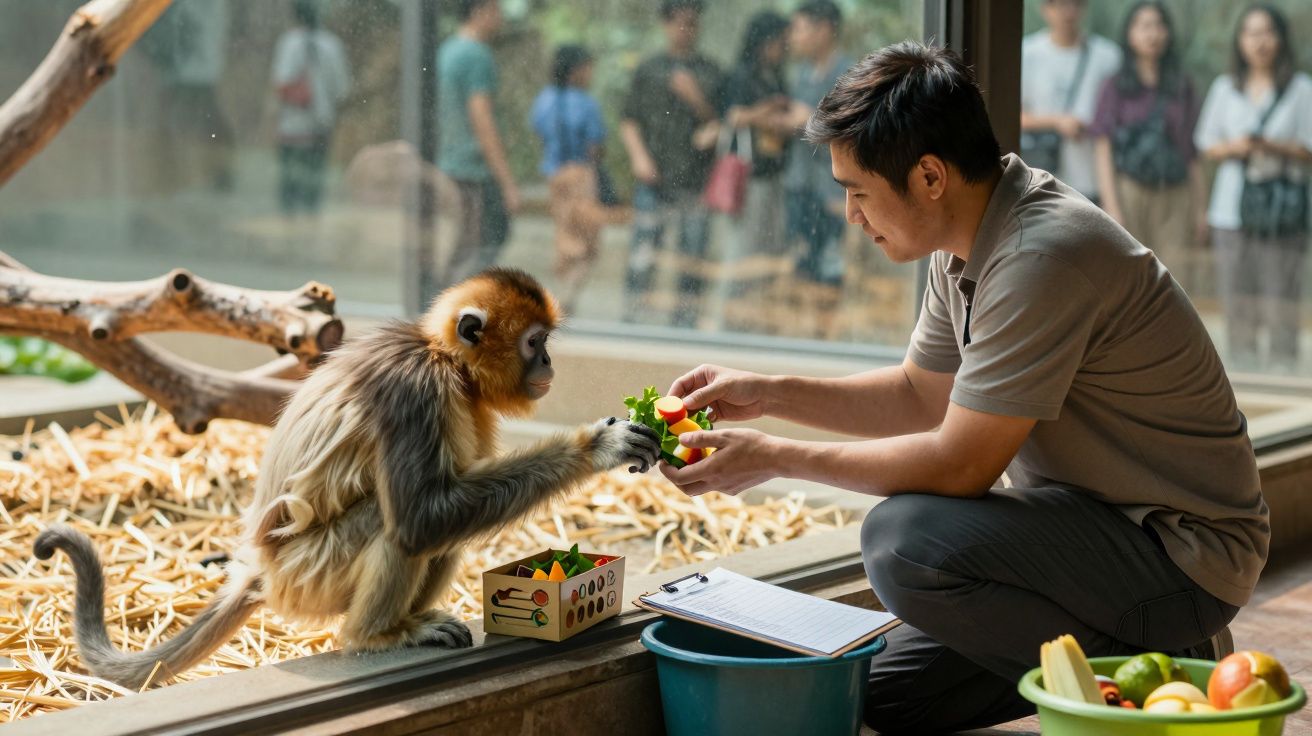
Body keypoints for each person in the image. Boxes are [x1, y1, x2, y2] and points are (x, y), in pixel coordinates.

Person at [660, 42, 1266, 733]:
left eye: (858, 192)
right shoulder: (968, 243)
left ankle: (1157, 671)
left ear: (928, 176)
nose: (852, 216)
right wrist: (767, 392)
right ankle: (1146, 649)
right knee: (881, 693)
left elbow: (961, 464)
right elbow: (921, 394)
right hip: (1093, 527)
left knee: (902, 539)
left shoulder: (1040, 254)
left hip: (1180, 556)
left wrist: (772, 456)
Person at [1195, 4, 1312, 374]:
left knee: (1282, 289)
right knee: (1237, 291)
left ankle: (1282, 363)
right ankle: (1242, 364)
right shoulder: (1225, 88)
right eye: (1251, 33)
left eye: (1267, 32)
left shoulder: (1300, 88)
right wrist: (1237, 147)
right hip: (1231, 207)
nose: (1259, 42)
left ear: (1280, 38)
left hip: (1282, 206)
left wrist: (1271, 146)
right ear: (1239, 40)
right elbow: (1206, 143)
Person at [620, 0, 723, 327]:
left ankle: (684, 326)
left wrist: (695, 98)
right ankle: (633, 321)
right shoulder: (649, 68)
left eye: (691, 23)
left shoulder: (712, 72)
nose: (685, 30)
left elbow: (721, 124)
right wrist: (638, 156)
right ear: (665, 25)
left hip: (695, 179)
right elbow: (629, 118)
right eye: (678, 23)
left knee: (691, 258)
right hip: (654, 178)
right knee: (643, 255)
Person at [1090, 1, 1203, 294]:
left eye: (1158, 25)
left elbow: (1192, 151)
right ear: (1130, 34)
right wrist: (1111, 205)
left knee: (1176, 280)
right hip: (1130, 189)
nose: (1153, 33)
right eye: (1144, 26)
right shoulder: (1114, 86)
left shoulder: (1182, 85)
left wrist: (1200, 209)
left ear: (1168, 33)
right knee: (1128, 278)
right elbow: (1103, 147)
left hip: (1175, 192)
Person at [718, 11, 792, 330]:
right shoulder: (742, 75)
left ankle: (755, 319)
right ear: (765, 42)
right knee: (742, 251)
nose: (785, 47)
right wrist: (768, 113)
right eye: (780, 41)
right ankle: (728, 320)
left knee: (768, 249)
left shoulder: (775, 75)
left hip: (774, 174)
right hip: (750, 177)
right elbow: (735, 117)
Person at [437, 0, 519, 288]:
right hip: (474, 169)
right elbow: (482, 118)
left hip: (451, 163)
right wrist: (506, 181)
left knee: (465, 244)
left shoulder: (447, 50)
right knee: (485, 241)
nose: (500, 18)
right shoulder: (476, 56)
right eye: (496, 10)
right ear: (480, 11)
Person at [530, 45, 616, 314]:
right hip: (581, 175)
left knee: (565, 233)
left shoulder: (545, 99)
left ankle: (562, 291)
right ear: (576, 70)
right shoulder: (586, 103)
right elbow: (595, 145)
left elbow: (539, 132)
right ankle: (565, 297)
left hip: (555, 174)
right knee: (587, 242)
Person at [783, 0, 851, 337]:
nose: (793, 37)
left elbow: (853, 132)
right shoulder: (800, 73)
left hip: (833, 191)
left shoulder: (849, 75)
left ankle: (825, 336)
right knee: (801, 262)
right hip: (800, 185)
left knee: (830, 264)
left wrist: (806, 119)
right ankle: (801, 334)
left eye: (800, 28)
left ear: (823, 29)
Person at [1021, 0, 1121, 203]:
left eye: (1076, 4)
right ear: (1045, 9)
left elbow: (1120, 115)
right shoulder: (1027, 53)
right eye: (1060, 5)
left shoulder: (1107, 56)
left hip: (1092, 179)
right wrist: (1057, 122)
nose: (1068, 12)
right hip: (1041, 181)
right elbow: (1011, 116)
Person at [271, 0, 352, 216]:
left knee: (289, 190)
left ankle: (289, 234)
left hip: (291, 128)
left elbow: (281, 85)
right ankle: (309, 231)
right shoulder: (332, 45)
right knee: (313, 190)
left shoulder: (289, 43)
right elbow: (342, 90)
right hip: (321, 126)